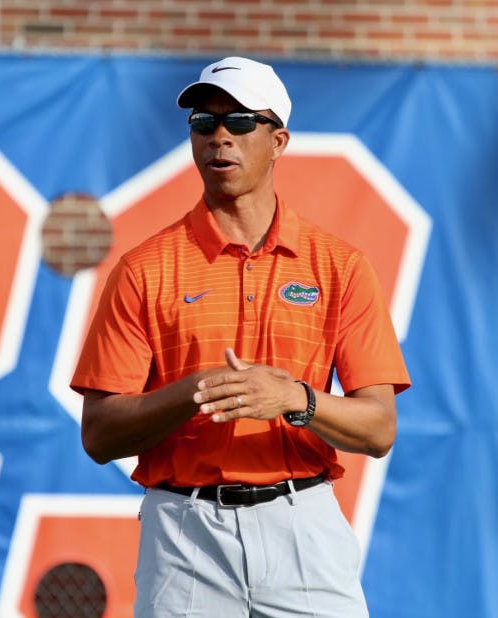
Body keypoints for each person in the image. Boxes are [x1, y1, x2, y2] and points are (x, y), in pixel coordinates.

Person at [70, 56, 410, 617]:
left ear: (278, 140)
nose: (219, 138)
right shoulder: (143, 269)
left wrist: (294, 400)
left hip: (303, 524)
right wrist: (196, 389)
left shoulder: (339, 266)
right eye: (204, 123)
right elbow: (100, 435)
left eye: (241, 122)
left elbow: (378, 428)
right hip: (184, 533)